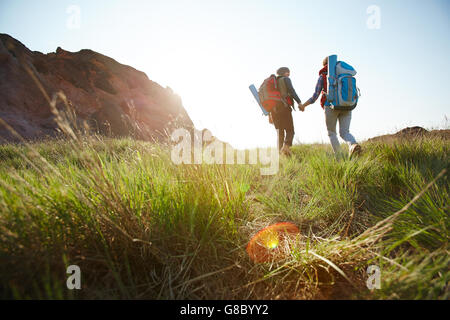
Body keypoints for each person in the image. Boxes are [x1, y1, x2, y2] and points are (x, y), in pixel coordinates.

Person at [300, 57, 361, 158]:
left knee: (332, 133)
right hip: (347, 105)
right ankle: (353, 145)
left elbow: (315, 96)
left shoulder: (324, 76)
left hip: (330, 106)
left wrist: (303, 105)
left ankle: (339, 158)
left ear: (324, 65)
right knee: (345, 132)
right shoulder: (345, 74)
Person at [271, 67, 302, 156]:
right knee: (290, 130)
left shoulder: (273, 82)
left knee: (280, 133)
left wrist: (270, 115)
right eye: (288, 72)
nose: (289, 74)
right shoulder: (286, 79)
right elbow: (292, 91)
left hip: (274, 111)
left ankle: (280, 155)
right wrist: (299, 102)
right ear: (285, 73)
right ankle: (286, 147)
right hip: (284, 107)